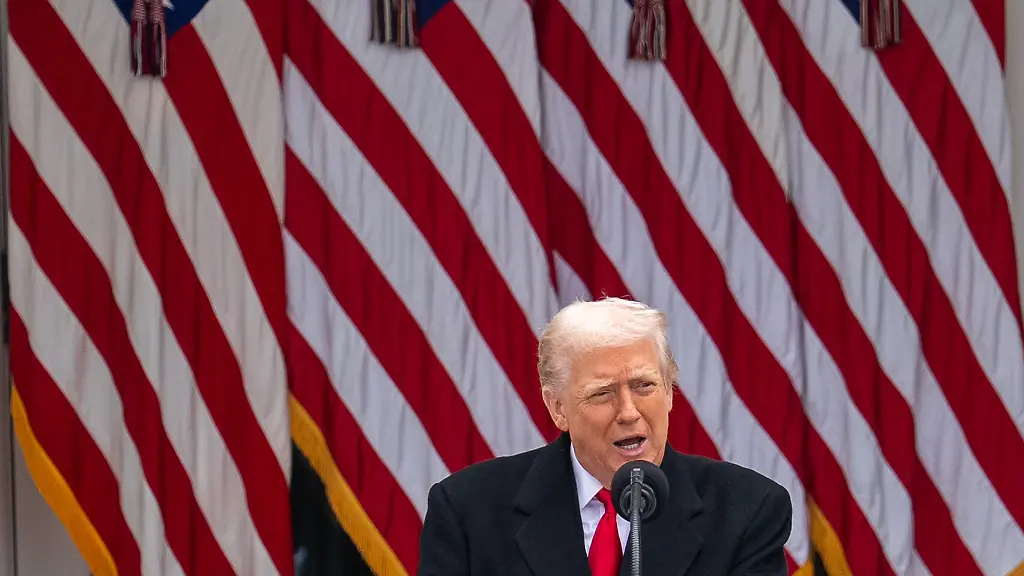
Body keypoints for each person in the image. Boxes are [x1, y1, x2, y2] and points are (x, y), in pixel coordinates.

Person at [417, 297, 793, 575]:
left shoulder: (748, 510)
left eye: (645, 385)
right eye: (603, 393)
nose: (629, 412)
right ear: (558, 408)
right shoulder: (468, 511)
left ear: (670, 392)